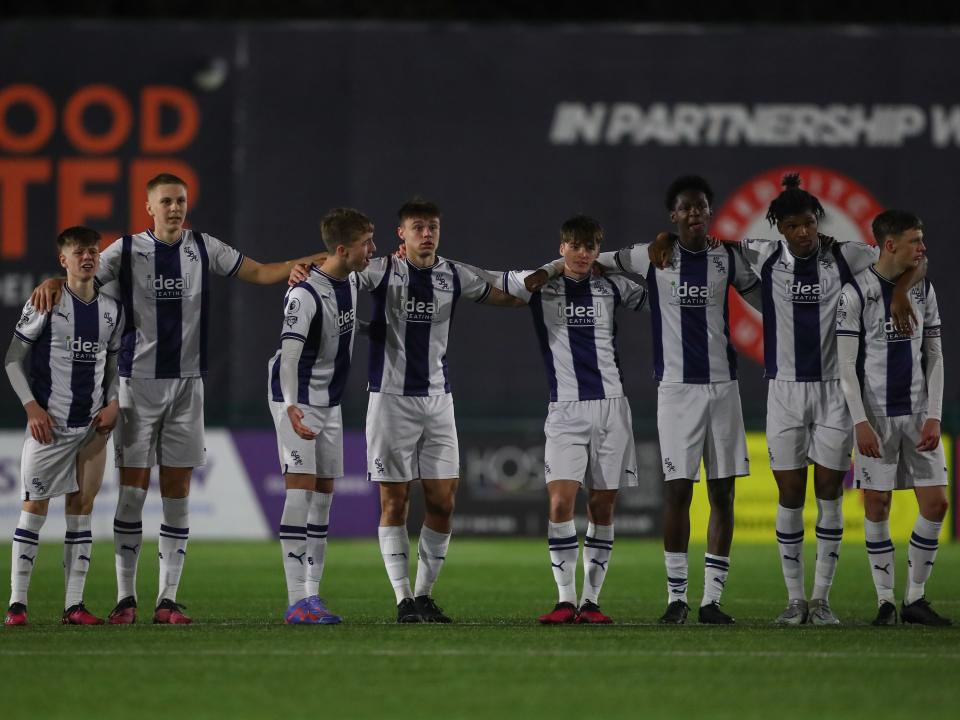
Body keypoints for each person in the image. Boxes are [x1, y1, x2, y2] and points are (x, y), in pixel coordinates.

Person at [30, 173, 326, 625]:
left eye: (180, 200)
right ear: (149, 207)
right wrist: (53, 279)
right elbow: (79, 275)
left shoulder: (203, 246)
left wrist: (318, 260)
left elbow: (263, 272)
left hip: (188, 385)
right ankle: (126, 599)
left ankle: (166, 600)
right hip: (137, 386)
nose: (174, 208)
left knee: (177, 494)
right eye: (166, 201)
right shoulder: (126, 250)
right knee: (131, 494)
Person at [650, 174, 920, 624]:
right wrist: (664, 237)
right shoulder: (760, 254)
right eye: (793, 225)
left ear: (819, 221)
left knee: (830, 493)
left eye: (810, 223)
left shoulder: (846, 254)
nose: (803, 232)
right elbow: (701, 241)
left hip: (836, 389)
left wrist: (903, 292)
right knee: (790, 493)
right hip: (784, 391)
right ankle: (795, 600)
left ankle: (821, 600)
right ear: (780, 227)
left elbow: (910, 257)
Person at [538, 176, 760, 624]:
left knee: (723, 494)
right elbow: (586, 259)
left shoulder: (728, 257)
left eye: (701, 206)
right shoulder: (650, 255)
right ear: (673, 215)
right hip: (675, 392)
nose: (693, 213)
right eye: (685, 208)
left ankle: (712, 601)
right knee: (677, 492)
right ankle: (677, 598)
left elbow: (763, 295)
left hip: (724, 388)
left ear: (709, 212)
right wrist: (552, 268)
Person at [293, 198, 521, 622]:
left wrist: (554, 280)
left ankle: (423, 595)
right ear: (402, 234)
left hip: (438, 400)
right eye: (417, 227)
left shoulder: (453, 274)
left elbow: (505, 295)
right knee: (394, 501)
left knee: (443, 501)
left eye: (433, 226)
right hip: (390, 400)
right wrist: (304, 268)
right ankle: (402, 599)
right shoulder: (379, 271)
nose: (427, 234)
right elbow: (337, 265)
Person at [500, 216, 646, 624]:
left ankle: (591, 602)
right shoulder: (542, 287)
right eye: (575, 246)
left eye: (590, 247)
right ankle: (565, 600)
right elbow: (509, 285)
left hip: (612, 407)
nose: (583, 254)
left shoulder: (612, 287)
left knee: (602, 505)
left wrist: (616, 265)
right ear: (562, 246)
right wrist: (550, 267)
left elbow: (660, 299)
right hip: (565, 410)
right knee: (561, 501)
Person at [836, 209, 950, 626]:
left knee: (937, 504)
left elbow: (934, 355)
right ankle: (885, 601)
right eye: (915, 241)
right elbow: (846, 366)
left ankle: (915, 598)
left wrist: (934, 416)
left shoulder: (923, 290)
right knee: (878, 504)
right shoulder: (856, 293)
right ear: (890, 245)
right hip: (877, 417)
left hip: (918, 413)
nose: (922, 248)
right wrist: (859, 421)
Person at [4, 226, 122, 626]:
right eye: (78, 252)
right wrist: (32, 408)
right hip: (49, 427)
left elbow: (112, 364)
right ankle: (17, 604)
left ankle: (74, 606)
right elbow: (12, 360)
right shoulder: (46, 301)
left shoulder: (112, 310)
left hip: (91, 429)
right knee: (34, 508)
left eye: (92, 251)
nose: (87, 257)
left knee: (82, 510)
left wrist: (113, 403)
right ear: (63, 260)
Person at [267, 208, 376, 624]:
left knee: (324, 496)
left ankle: (312, 597)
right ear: (345, 249)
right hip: (297, 400)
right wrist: (291, 405)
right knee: (300, 492)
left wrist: (369, 330)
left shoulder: (349, 279)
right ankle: (296, 600)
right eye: (367, 242)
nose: (374, 249)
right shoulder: (304, 293)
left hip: (330, 402)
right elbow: (290, 356)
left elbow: (337, 327)